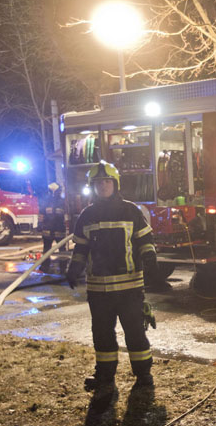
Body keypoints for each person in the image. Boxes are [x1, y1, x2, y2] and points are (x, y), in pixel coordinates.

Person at [66, 162, 158, 394]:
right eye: (98, 183)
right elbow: (81, 248)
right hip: (99, 290)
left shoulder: (131, 211)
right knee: (102, 334)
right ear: (93, 186)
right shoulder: (87, 215)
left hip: (129, 288)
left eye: (107, 182)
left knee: (135, 332)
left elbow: (144, 240)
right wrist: (74, 268)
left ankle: (144, 375)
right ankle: (105, 377)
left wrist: (150, 258)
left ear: (115, 184)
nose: (103, 186)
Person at [38, 182, 66, 272]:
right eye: (59, 190)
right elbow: (41, 214)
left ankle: (62, 267)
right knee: (48, 249)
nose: (60, 192)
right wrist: (39, 224)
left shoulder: (62, 201)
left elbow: (66, 214)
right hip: (52, 229)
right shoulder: (50, 202)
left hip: (57, 229)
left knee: (60, 250)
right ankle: (46, 267)